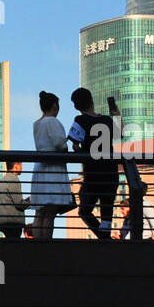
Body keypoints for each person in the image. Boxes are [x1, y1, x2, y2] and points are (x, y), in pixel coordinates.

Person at [68, 87, 121, 240]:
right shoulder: (106, 120)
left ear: (76, 106)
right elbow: (120, 132)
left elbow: (75, 144)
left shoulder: (80, 120)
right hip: (110, 172)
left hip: (92, 173)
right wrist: (114, 108)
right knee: (107, 212)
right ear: (92, 100)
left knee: (84, 211)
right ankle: (106, 238)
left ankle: (104, 238)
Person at [31, 91, 74, 239]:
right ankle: (46, 245)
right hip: (53, 168)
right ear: (55, 105)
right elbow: (60, 144)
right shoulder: (53, 122)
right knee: (50, 212)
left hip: (40, 167)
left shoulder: (36, 124)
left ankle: (37, 244)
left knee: (40, 211)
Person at [0, 161, 31, 238]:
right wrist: (32, 201)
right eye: (21, 164)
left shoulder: (1, 182)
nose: (22, 167)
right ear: (16, 166)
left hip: (1, 221)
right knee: (14, 246)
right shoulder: (14, 180)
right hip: (13, 223)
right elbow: (19, 204)